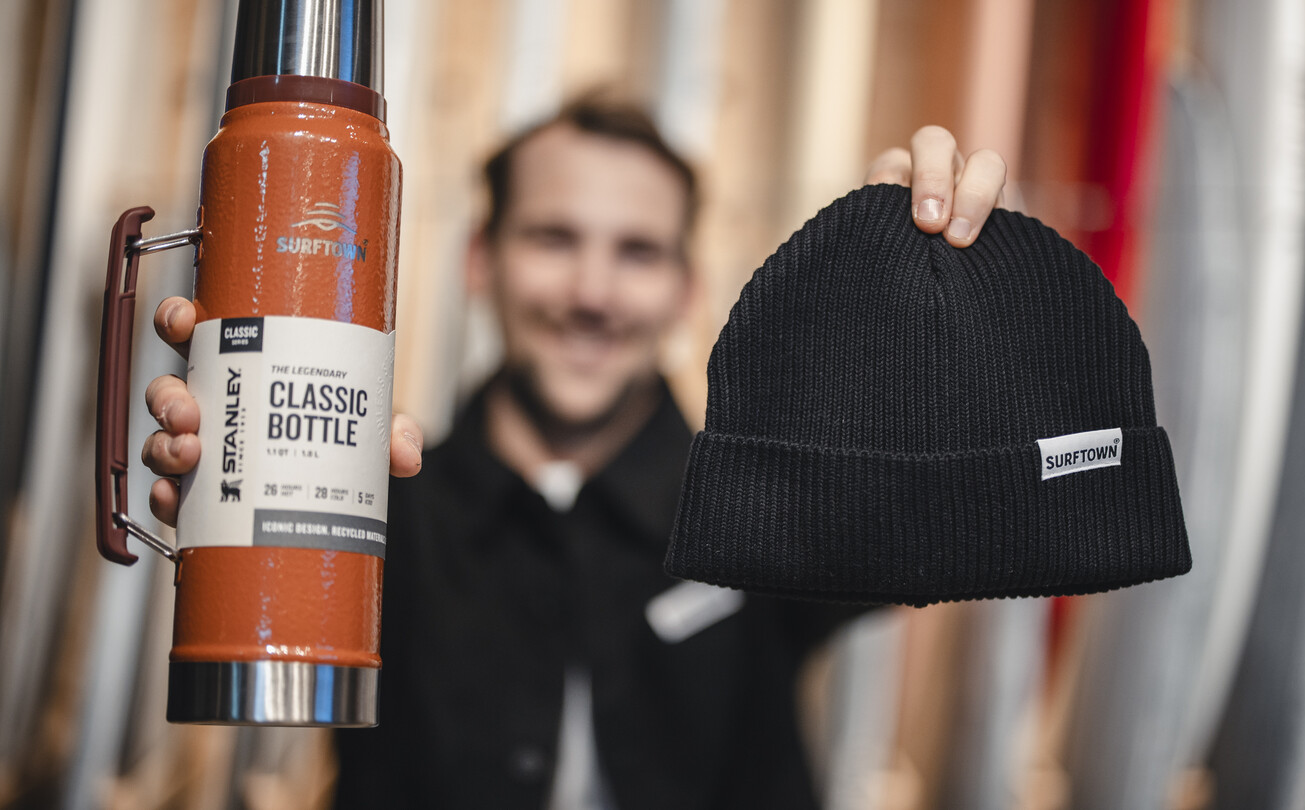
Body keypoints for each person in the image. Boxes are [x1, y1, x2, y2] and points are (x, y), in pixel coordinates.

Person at [140, 98, 1006, 808]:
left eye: (637, 251)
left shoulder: (765, 504)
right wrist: (239, 467)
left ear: (685, 288)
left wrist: (941, 314)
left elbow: (945, 508)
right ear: (481, 260)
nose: (592, 293)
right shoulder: (377, 506)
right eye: (554, 238)